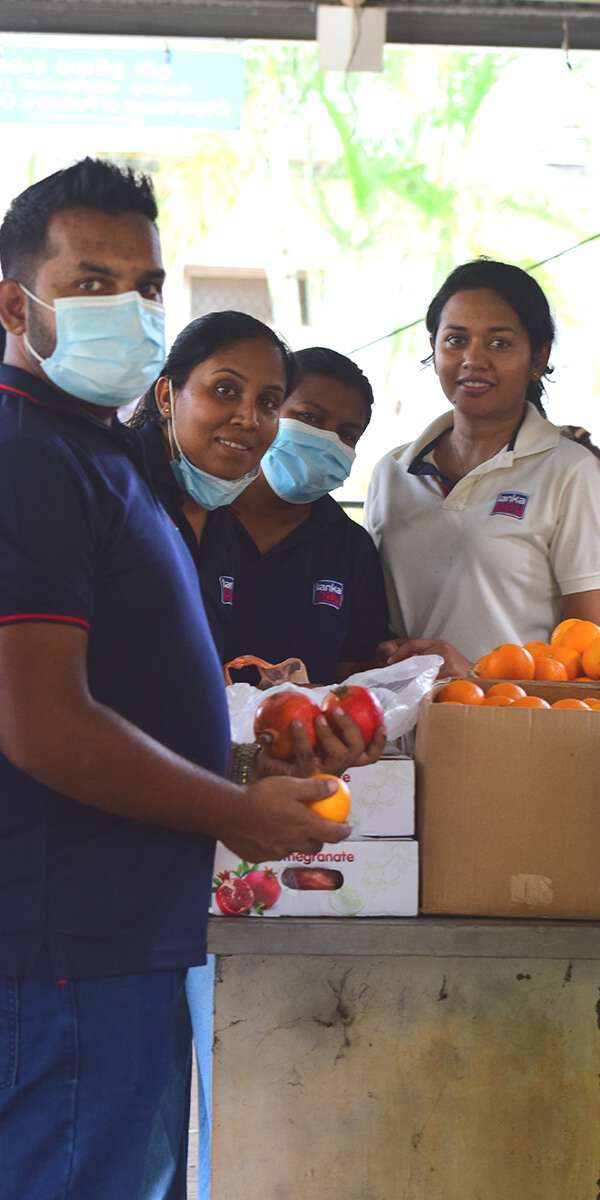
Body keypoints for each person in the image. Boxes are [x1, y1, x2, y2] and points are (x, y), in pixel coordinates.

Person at [0, 158, 383, 1200]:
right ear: (14, 303)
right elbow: (40, 720)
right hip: (66, 938)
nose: (127, 307)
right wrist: (234, 811)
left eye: (147, 285)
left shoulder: (99, 453)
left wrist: (269, 750)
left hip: (120, 928)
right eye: (90, 283)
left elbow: (128, 693)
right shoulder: (25, 453)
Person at [130, 330, 388, 1198]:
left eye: (270, 405)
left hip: (194, 855)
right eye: (227, 393)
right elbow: (65, 714)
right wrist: (236, 800)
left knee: (163, 1130)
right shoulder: (138, 509)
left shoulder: (335, 546)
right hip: (105, 883)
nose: (251, 421)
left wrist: (297, 725)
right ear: (168, 395)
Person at [365, 258, 600, 675]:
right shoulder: (392, 473)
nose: (473, 359)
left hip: (519, 727)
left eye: (499, 343)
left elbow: (590, 657)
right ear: (433, 349)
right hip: (406, 730)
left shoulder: (570, 472)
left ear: (538, 357)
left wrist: (473, 676)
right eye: (456, 339)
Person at [133, 342, 389, 685]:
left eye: (346, 434)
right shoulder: (191, 514)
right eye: (309, 417)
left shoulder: (350, 549)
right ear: (267, 413)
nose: (327, 440)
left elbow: (354, 670)